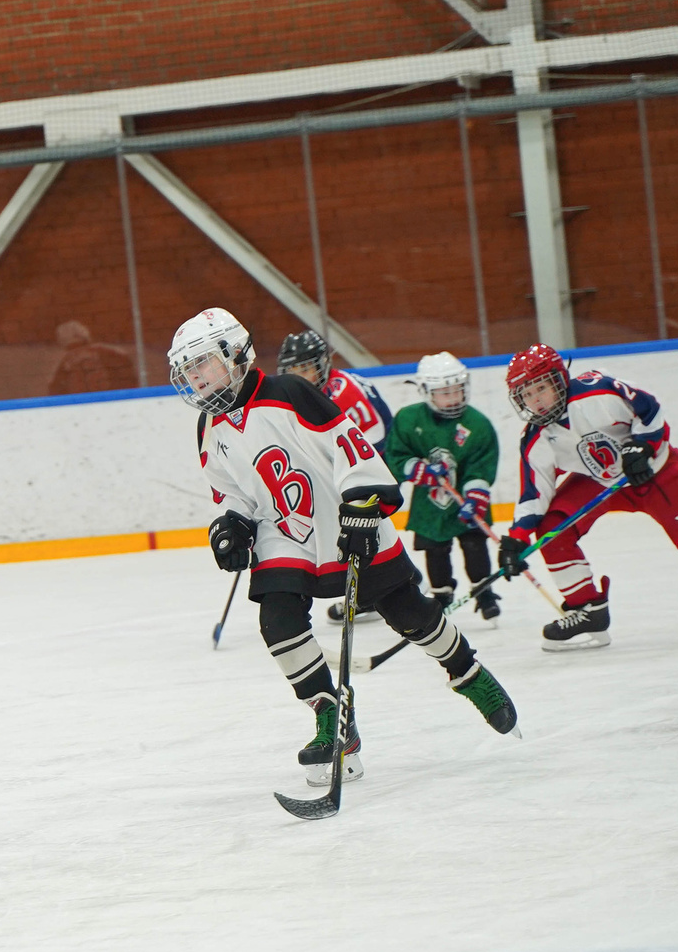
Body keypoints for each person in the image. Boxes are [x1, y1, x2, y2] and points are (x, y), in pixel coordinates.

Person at [177, 310, 516, 786]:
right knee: (276, 620)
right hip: (285, 531)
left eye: (202, 364)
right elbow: (230, 490)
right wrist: (231, 524)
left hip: (345, 517)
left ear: (235, 354)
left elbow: (351, 446)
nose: (193, 378)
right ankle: (332, 720)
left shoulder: (290, 393)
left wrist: (364, 500)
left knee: (408, 612)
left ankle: (468, 673)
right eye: (187, 370)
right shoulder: (206, 427)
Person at [499, 343, 678, 651]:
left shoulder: (598, 392)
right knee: (551, 528)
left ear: (559, 379)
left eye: (541, 388)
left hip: (654, 472)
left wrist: (643, 445)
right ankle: (587, 609)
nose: (535, 400)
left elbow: (649, 410)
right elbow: (535, 491)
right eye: (527, 394)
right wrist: (517, 538)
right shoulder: (535, 438)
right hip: (598, 481)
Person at [278, 328, 395, 622]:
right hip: (348, 469)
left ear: (321, 364)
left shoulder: (342, 392)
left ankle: (373, 593)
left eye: (304, 368)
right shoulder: (308, 394)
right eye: (292, 370)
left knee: (355, 530)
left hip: (372, 469)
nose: (298, 376)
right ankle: (393, 584)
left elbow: (375, 439)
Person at [384, 352, 502, 625]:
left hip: (464, 500)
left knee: (474, 543)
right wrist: (419, 469)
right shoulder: (408, 419)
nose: (453, 398)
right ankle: (441, 596)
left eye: (457, 391)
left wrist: (475, 495)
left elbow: (481, 464)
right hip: (430, 502)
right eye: (444, 393)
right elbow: (395, 456)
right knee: (435, 549)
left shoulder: (477, 424)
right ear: (426, 392)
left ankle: (484, 593)